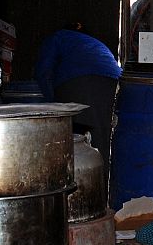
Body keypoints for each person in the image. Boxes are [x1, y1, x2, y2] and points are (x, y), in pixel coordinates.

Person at [35, 24, 121, 162]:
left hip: (80, 80)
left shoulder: (58, 36)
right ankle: (104, 180)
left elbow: (44, 70)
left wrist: (52, 105)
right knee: (104, 136)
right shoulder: (94, 44)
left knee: (80, 140)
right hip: (114, 81)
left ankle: (85, 179)